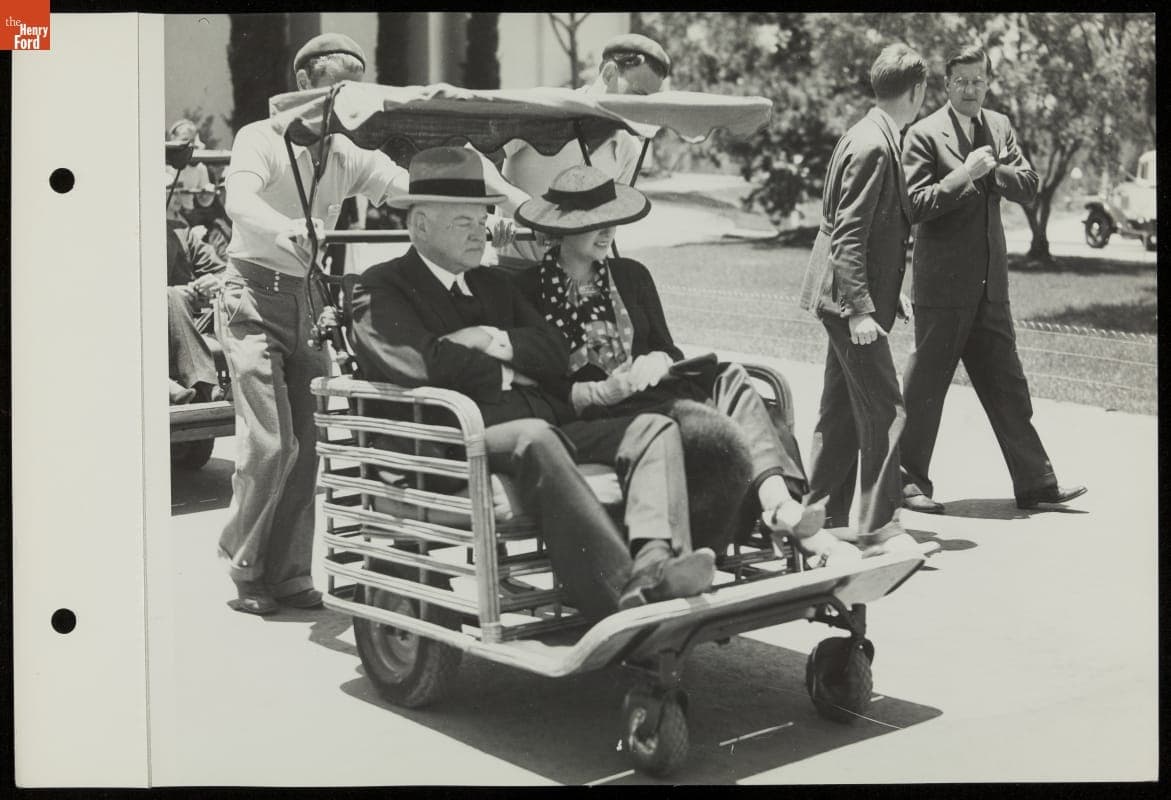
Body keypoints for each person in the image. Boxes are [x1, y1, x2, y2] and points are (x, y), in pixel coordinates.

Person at [350, 146, 721, 622]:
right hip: (456, 439)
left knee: (653, 427)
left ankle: (656, 563)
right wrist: (511, 368)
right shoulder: (381, 289)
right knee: (536, 437)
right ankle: (623, 591)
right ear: (420, 225)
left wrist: (486, 337)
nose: (480, 231)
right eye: (464, 222)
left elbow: (555, 354)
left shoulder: (492, 285)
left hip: (541, 423)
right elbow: (425, 365)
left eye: (482, 219)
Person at [513, 164, 862, 567]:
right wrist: (603, 389)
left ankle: (778, 503)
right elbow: (537, 385)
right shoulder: (526, 290)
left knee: (730, 376)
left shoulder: (631, 276)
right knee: (731, 417)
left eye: (612, 222)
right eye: (595, 223)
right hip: (597, 415)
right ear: (565, 228)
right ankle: (781, 514)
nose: (607, 232)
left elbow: (667, 349)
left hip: (650, 393)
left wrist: (656, 359)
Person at [214, 33, 413, 616]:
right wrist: (282, 229)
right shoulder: (260, 138)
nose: (340, 103)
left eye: (350, 92)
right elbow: (237, 199)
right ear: (302, 85)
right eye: (331, 88)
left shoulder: (346, 153)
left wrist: (485, 201)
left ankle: (291, 572)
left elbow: (405, 187)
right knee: (273, 446)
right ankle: (245, 566)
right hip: (250, 296)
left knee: (315, 443)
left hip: (306, 301)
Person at [899, 45, 1086, 513]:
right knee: (924, 392)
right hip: (941, 289)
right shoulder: (923, 134)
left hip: (990, 286)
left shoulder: (999, 126)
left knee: (1009, 386)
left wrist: (995, 171)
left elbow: (1028, 184)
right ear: (947, 85)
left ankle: (1037, 485)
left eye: (978, 80)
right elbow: (914, 205)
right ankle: (907, 485)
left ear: (988, 81)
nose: (970, 89)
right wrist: (964, 174)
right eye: (961, 81)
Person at [797, 44, 927, 556]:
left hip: (845, 296)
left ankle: (819, 520)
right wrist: (861, 309)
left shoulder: (867, 133)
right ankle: (880, 528)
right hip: (847, 301)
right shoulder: (875, 144)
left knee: (841, 412)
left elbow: (868, 231)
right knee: (886, 409)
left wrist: (887, 296)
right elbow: (850, 233)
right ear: (916, 92)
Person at [492, 33, 673, 269]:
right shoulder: (542, 109)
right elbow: (473, 161)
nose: (642, 112)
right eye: (638, 96)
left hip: (581, 281)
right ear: (609, 74)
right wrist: (520, 208)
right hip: (512, 270)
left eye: (651, 103)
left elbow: (605, 224)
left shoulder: (630, 149)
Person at [166, 178, 225, 404]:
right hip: (143, 322)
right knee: (170, 295)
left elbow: (224, 271)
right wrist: (170, 294)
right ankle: (204, 384)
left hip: (189, 322)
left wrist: (214, 281)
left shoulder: (182, 233)